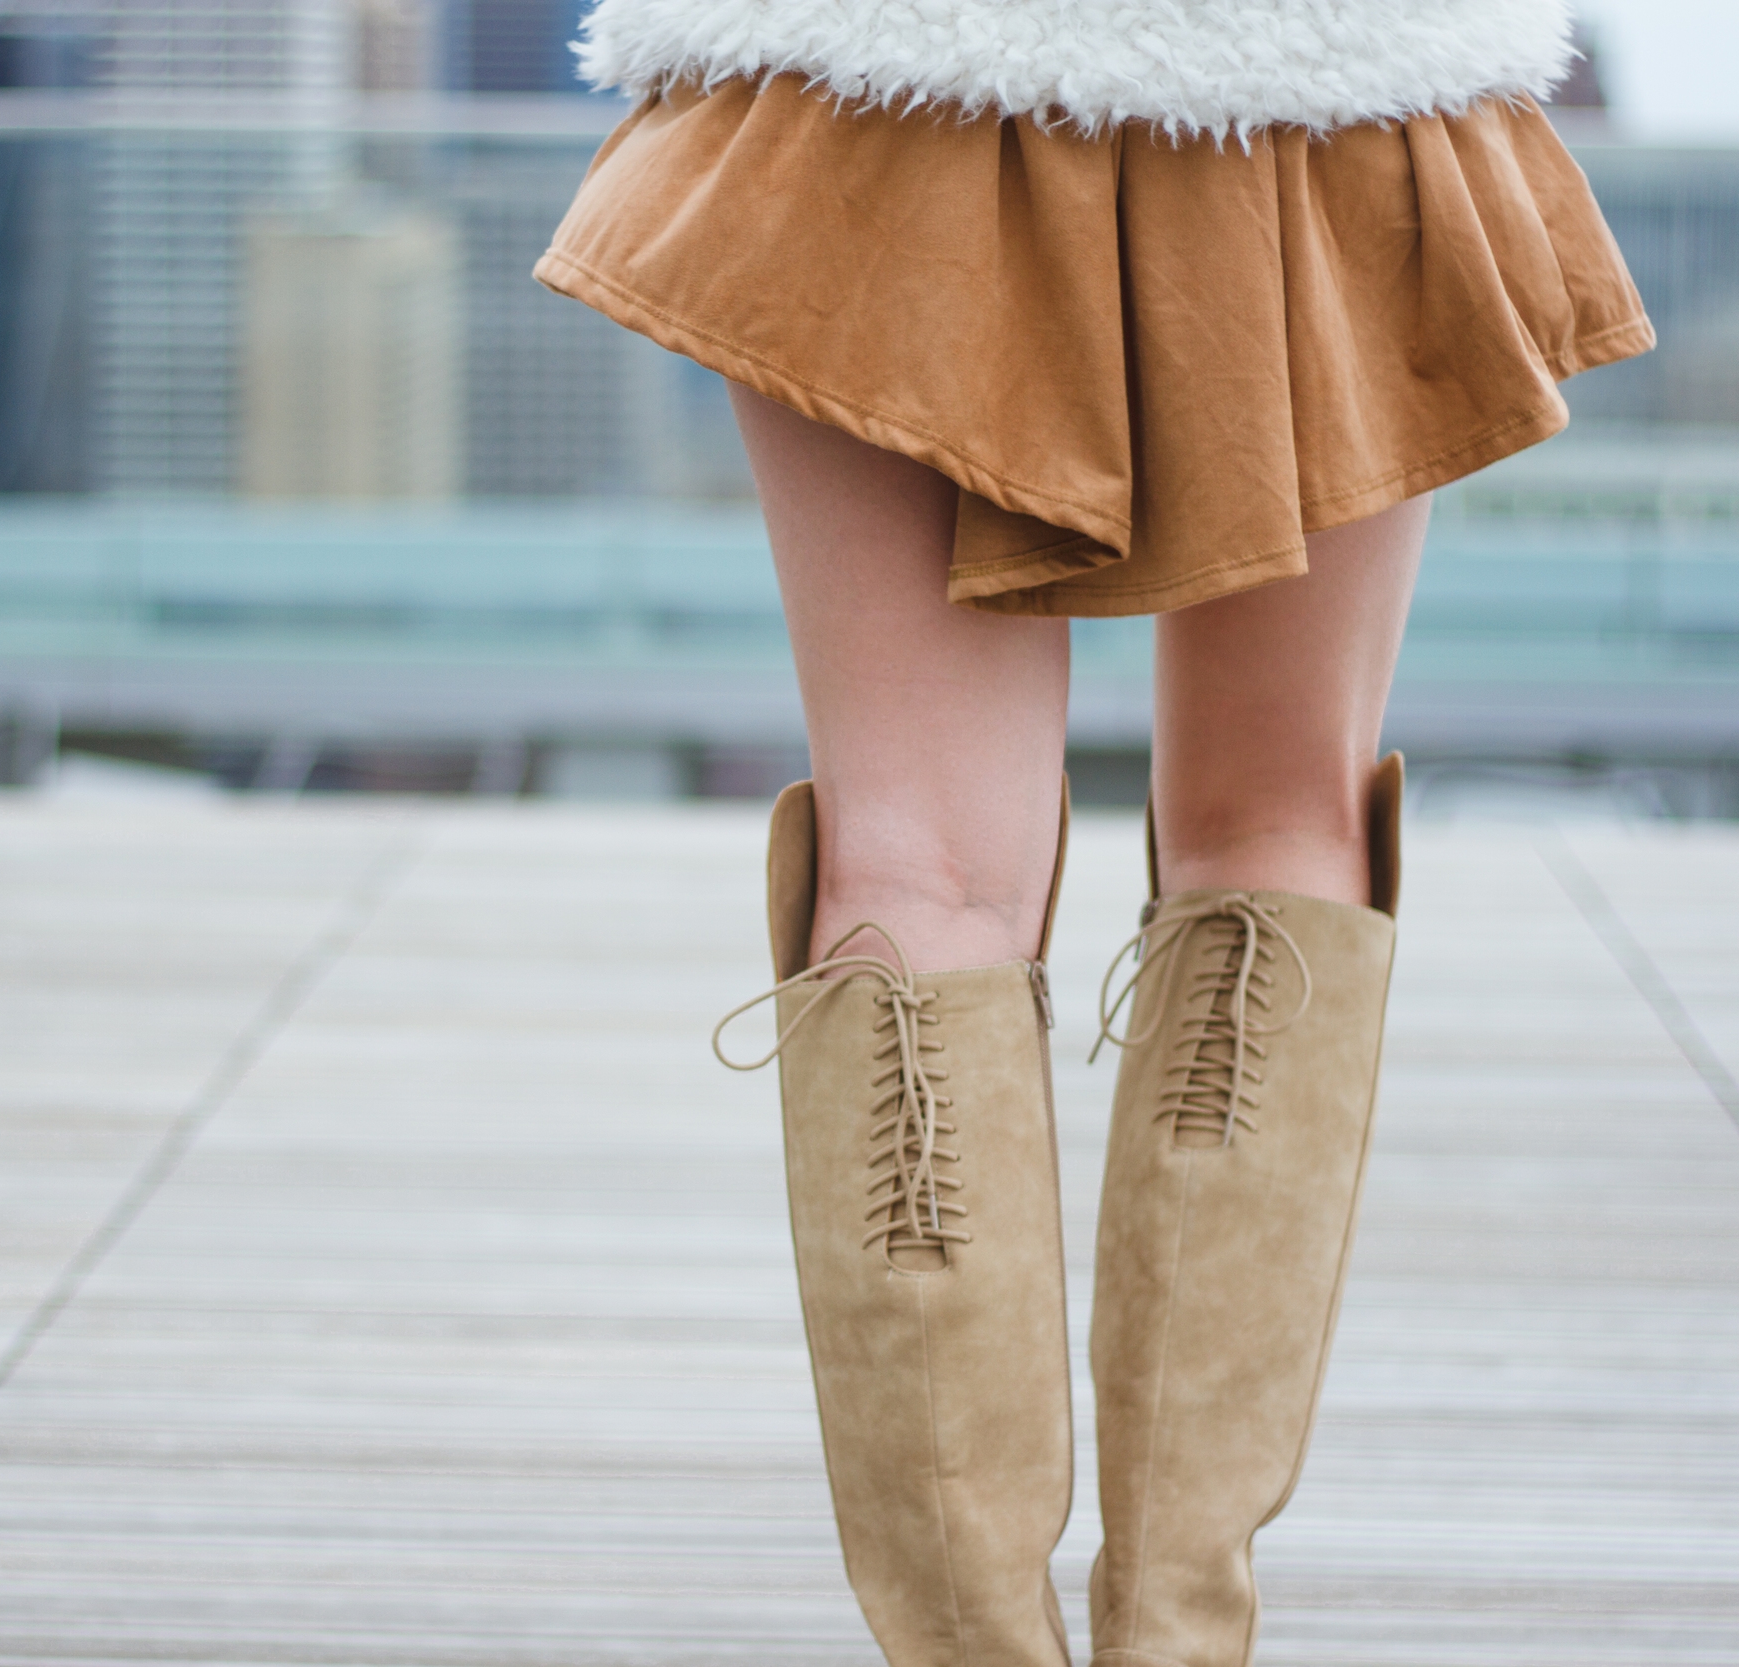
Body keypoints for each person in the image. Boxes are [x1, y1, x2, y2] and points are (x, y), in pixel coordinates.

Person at [534, 4, 1652, 1665]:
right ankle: (1178, 1640)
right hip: (1311, 60)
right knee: (1275, 826)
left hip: (881, 55)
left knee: (917, 870)